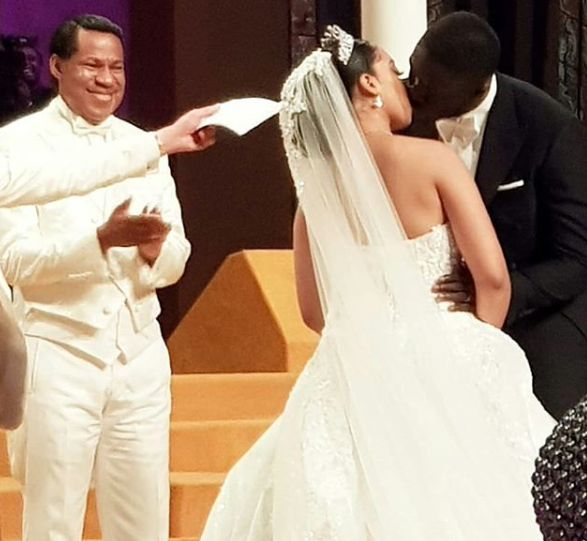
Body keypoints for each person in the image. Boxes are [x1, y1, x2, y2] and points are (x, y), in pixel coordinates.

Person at [197, 25, 554, 541]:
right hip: (447, 348)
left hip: (352, 366)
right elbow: (494, 278)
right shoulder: (431, 159)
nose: (402, 81)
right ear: (367, 85)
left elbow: (313, 313)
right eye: (391, 69)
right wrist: (474, 346)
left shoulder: (313, 200)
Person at [0, 14, 200, 540]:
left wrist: (155, 252)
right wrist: (101, 241)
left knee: (144, 520)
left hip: (139, 353)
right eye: (92, 65)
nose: (106, 79)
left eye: (116, 67)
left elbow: (178, 253)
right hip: (59, 351)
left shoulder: (145, 146)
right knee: (53, 521)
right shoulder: (17, 146)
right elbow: (17, 262)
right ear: (56, 67)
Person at [405, 12, 587, 420]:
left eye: (428, 85)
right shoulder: (404, 111)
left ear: (479, 85)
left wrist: (492, 292)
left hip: (536, 307)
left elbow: (576, 260)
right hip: (429, 303)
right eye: (414, 73)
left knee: (536, 424)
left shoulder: (550, 129)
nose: (414, 89)